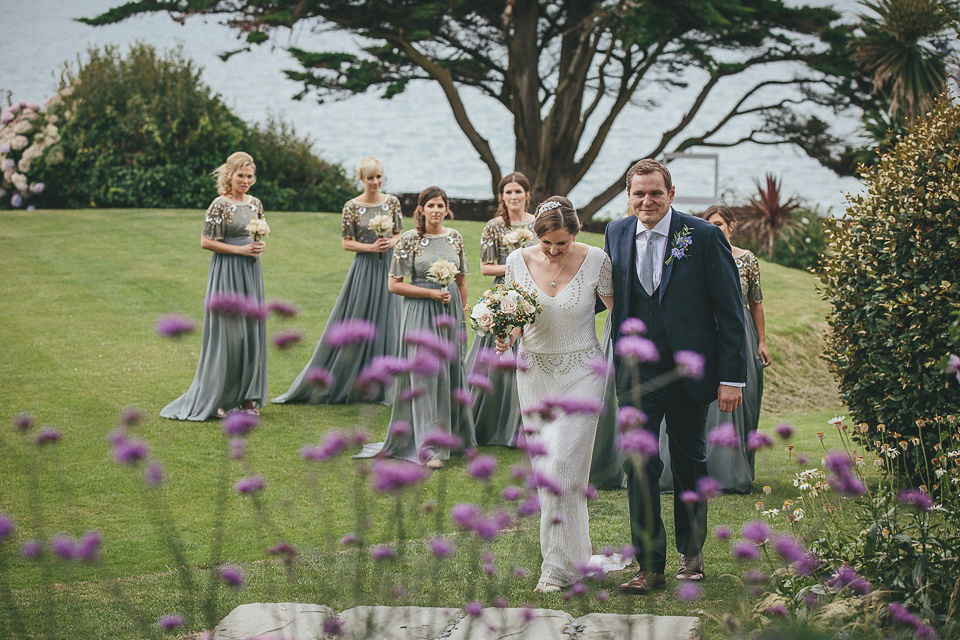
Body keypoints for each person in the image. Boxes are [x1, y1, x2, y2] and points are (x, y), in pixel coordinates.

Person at [603, 159, 746, 593]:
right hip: (636, 376)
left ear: (672, 193)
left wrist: (732, 378)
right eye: (638, 194)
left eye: (655, 193)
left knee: (689, 464)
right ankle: (649, 566)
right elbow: (608, 294)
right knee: (639, 467)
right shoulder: (616, 232)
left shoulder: (702, 236)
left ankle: (692, 555)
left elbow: (729, 311)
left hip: (689, 373)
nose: (647, 201)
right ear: (628, 195)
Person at [497, 196, 628, 593]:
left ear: (576, 234)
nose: (554, 251)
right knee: (547, 474)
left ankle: (554, 569)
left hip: (583, 373)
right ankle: (572, 557)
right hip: (534, 374)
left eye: (562, 244)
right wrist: (505, 335)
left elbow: (620, 312)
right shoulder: (517, 262)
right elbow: (515, 318)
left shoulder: (597, 260)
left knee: (565, 465)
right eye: (547, 244)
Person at [355, 186, 475, 468]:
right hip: (420, 311)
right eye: (430, 205)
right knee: (424, 375)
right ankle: (427, 447)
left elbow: (461, 282)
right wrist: (432, 293)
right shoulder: (409, 240)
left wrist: (460, 313)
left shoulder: (455, 238)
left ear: (447, 209)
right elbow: (394, 284)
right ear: (421, 209)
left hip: (450, 310)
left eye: (440, 205)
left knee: (451, 371)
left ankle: (455, 438)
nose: (436, 210)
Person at [658, 205, 770, 493]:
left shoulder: (747, 260)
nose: (715, 229)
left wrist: (761, 340)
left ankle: (732, 469)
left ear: (731, 227)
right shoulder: (697, 250)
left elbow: (755, 302)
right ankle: (696, 467)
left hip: (739, 330)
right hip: (706, 330)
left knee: (739, 404)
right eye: (709, 223)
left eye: (719, 224)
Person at [273, 157, 402, 405]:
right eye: (370, 178)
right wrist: (369, 246)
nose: (375, 182)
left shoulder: (392, 202)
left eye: (379, 177)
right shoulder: (351, 206)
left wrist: (389, 243)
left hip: (388, 265)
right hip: (364, 267)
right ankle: (350, 378)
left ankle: (387, 380)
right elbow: (346, 242)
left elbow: (398, 233)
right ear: (361, 179)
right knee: (357, 315)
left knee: (391, 317)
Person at [161, 151, 268, 421]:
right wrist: (240, 250)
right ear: (229, 176)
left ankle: (246, 397)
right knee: (229, 334)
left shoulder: (256, 203)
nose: (245, 180)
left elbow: (257, 231)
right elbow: (206, 242)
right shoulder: (218, 205)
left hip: (251, 273)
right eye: (240, 175)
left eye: (249, 176)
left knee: (251, 333)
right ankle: (220, 396)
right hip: (227, 272)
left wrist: (258, 246)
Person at [465, 172, 537, 446]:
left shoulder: (536, 222)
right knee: (495, 354)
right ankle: (489, 419)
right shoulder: (494, 226)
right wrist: (515, 264)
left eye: (518, 191)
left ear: (527, 194)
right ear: (501, 196)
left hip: (530, 290)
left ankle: (524, 423)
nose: (514, 197)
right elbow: (485, 267)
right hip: (502, 291)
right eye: (508, 192)